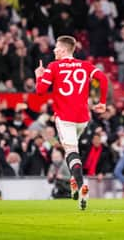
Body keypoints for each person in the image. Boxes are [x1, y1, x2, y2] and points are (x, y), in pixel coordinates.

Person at [35, 35, 108, 210]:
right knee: (71, 150)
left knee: (71, 151)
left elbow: (40, 91)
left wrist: (39, 75)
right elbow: (103, 79)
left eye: (56, 48)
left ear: (63, 50)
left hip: (64, 117)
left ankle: (81, 185)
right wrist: (102, 102)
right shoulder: (85, 65)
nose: (53, 51)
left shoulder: (53, 67)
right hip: (83, 119)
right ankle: (74, 180)